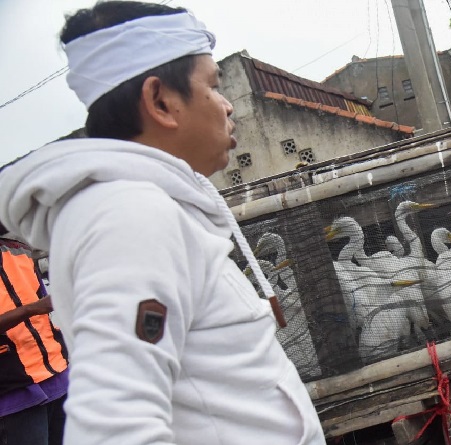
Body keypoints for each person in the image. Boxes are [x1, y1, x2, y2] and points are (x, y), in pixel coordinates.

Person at [0, 2, 324, 444]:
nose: (228, 105)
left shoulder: (147, 208)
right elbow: (115, 430)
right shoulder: (131, 220)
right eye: (213, 86)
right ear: (160, 102)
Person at [0, 236, 69, 445]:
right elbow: (39, 306)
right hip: (13, 391)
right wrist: (31, 309)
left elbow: (46, 308)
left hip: (58, 378)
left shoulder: (17, 248)